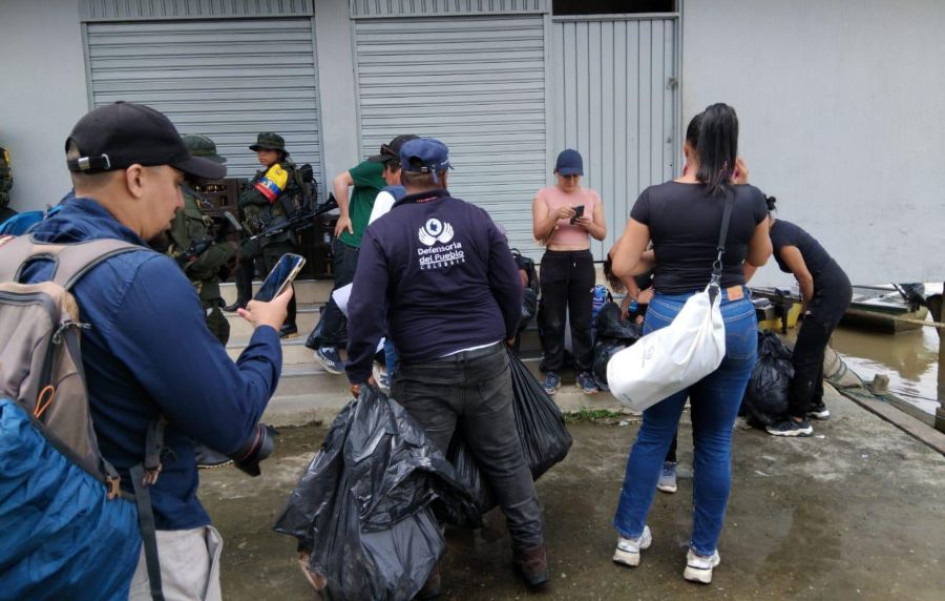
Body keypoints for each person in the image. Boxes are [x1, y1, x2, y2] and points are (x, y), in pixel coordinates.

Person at [18, 101, 290, 600]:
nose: (180, 198)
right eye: (178, 181)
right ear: (138, 178)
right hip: (141, 533)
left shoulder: (21, 248)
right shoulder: (138, 275)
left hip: (42, 520)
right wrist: (267, 334)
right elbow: (232, 422)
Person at [345, 138, 549, 595]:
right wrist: (509, 329)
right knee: (505, 457)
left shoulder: (385, 232)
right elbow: (510, 286)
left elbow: (363, 308)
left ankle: (428, 574)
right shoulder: (476, 218)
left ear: (401, 174)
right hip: (485, 358)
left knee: (420, 470)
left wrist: (357, 367)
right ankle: (533, 557)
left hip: (422, 368)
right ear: (444, 174)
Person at [609, 104, 772, 584]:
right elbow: (759, 256)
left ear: (688, 148)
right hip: (734, 318)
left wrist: (665, 259)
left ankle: (629, 538)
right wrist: (745, 188)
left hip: (670, 314)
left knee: (655, 434)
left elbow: (622, 265)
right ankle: (701, 556)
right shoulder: (750, 198)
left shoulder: (655, 199)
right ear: (733, 153)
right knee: (716, 440)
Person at [307, 134, 416, 374]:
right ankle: (324, 344)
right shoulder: (376, 167)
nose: (385, 174)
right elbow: (340, 181)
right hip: (354, 242)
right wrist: (344, 215)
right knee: (346, 292)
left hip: (378, 246)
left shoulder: (413, 183)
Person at [747, 196, 852, 436]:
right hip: (834, 289)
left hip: (830, 292)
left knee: (804, 355)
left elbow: (804, 277)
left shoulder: (780, 238)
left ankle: (798, 419)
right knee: (813, 350)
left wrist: (807, 306)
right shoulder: (779, 231)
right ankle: (815, 404)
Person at [532, 148, 607, 396]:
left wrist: (589, 224)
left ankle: (583, 371)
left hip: (582, 258)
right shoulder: (543, 195)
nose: (571, 180)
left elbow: (601, 233)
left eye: (575, 176)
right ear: (556, 173)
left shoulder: (591, 196)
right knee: (553, 319)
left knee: (582, 320)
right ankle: (552, 370)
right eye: (566, 176)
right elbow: (538, 233)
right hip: (554, 257)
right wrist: (554, 215)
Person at [225, 132, 303, 338]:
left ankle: (288, 324)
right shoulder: (267, 172)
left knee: (280, 280)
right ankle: (244, 300)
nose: (261, 154)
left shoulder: (281, 171)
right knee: (239, 255)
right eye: (259, 150)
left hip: (279, 234)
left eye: (266, 150)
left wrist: (246, 197)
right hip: (263, 234)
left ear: (279, 153)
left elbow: (262, 195)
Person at [168, 134, 238, 345]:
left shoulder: (186, 196)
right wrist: (232, 248)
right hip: (196, 295)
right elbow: (199, 259)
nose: (211, 174)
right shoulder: (185, 202)